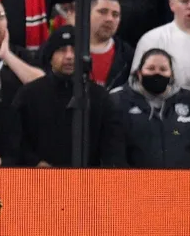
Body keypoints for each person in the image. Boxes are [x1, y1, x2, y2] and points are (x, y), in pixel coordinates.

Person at [13, 26, 126, 167]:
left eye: (74, 49)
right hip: (40, 182)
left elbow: (113, 148)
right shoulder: (29, 95)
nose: (69, 56)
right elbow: (16, 142)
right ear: (50, 56)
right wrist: (34, 163)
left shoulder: (100, 97)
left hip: (88, 183)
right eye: (61, 50)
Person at [110, 47, 190, 168]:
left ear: (171, 75)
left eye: (163, 69)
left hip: (185, 184)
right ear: (139, 73)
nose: (157, 73)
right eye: (151, 68)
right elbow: (113, 152)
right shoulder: (118, 101)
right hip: (134, 184)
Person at [87, 0, 134, 90]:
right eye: (103, 12)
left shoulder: (128, 56)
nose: (109, 19)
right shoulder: (68, 48)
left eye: (115, 15)